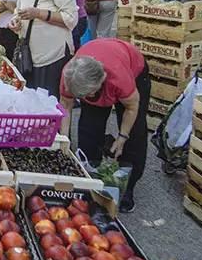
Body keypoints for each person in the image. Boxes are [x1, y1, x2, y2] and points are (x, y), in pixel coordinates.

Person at [60, 39, 150, 213]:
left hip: (132, 69)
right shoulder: (70, 76)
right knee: (89, 129)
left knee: (135, 133)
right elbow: (66, 107)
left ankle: (127, 186)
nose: (85, 97)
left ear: (99, 84)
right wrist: (65, 140)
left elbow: (132, 107)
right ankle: (90, 177)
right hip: (90, 70)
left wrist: (122, 137)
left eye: (88, 94)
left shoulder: (119, 79)